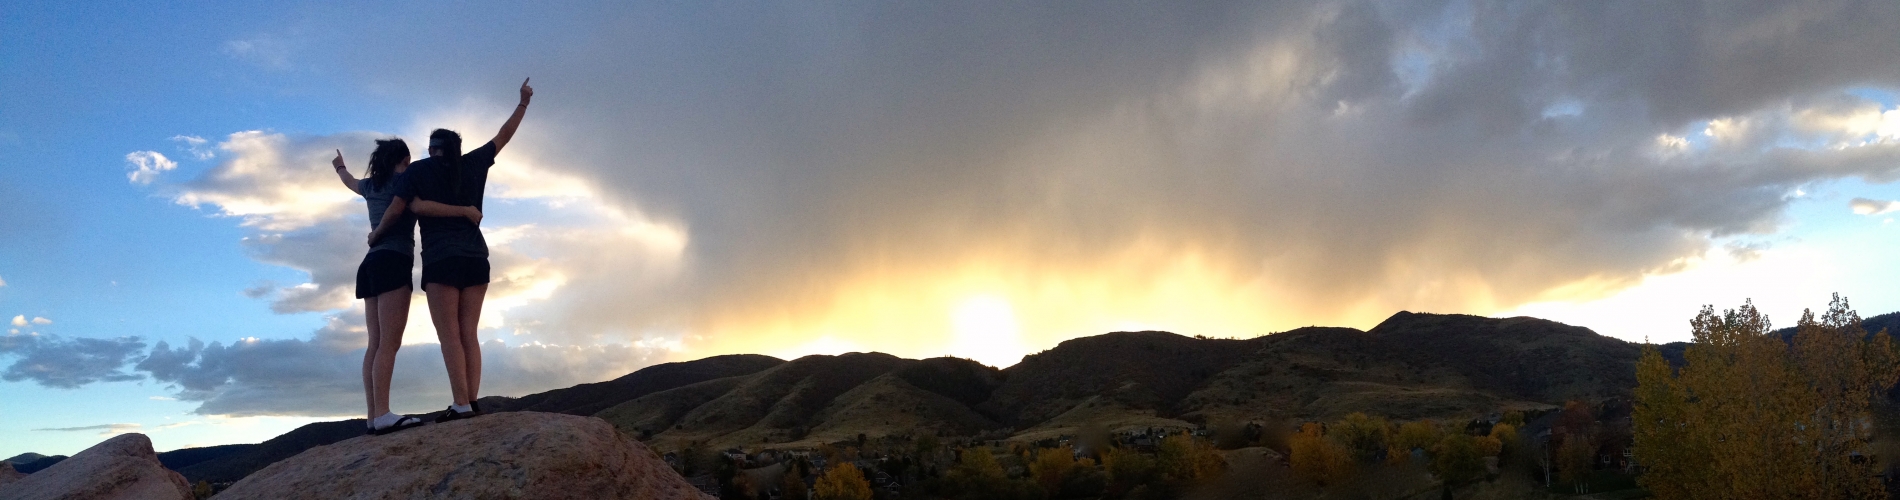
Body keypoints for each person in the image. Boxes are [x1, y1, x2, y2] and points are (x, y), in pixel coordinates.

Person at [371, 77, 533, 422]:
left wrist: (376, 234)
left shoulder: (418, 171)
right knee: (468, 333)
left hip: (442, 259)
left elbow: (404, 206)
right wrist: (523, 103)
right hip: (476, 258)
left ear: (432, 148)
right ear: (457, 147)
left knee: (449, 336)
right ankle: (470, 401)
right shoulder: (473, 164)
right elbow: (504, 136)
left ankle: (460, 404)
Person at [331, 139, 427, 435]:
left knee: (375, 342)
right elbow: (419, 207)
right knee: (390, 342)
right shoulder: (404, 182)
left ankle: (373, 416)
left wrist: (340, 167)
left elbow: (349, 182)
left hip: (369, 265)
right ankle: (384, 413)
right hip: (393, 260)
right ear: (406, 159)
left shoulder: (371, 185)